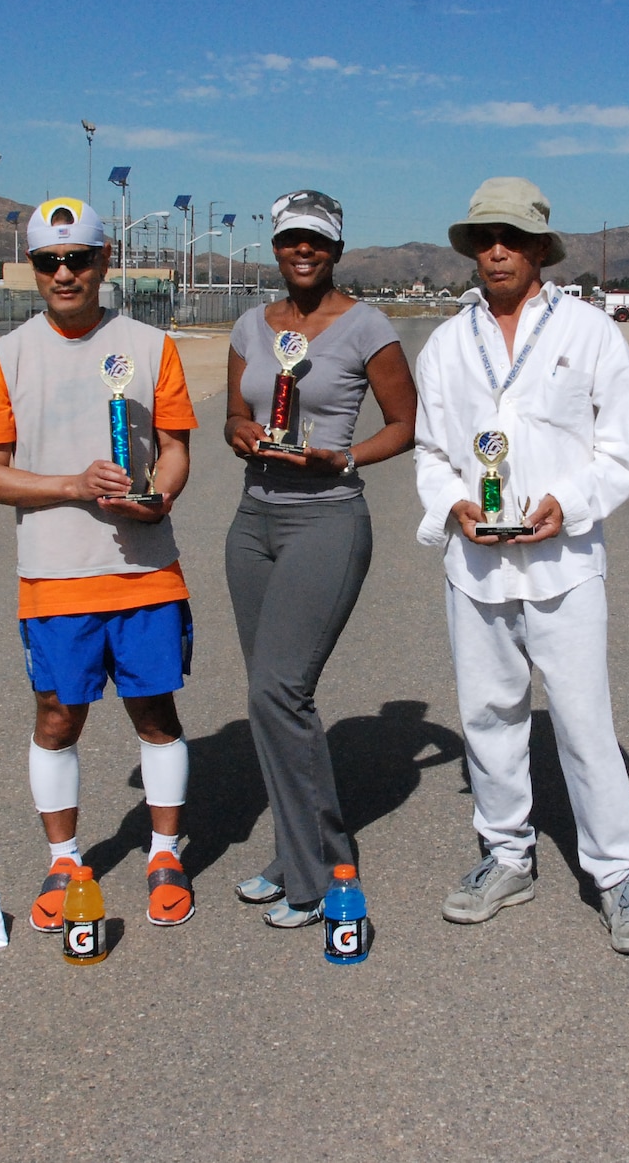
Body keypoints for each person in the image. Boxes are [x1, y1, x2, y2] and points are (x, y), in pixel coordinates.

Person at [412, 177, 629, 955]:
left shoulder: (590, 333)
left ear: (540, 249)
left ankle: (617, 874)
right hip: (477, 565)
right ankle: (507, 854)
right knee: (488, 715)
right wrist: (455, 503)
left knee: (583, 720)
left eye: (513, 239)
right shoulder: (448, 345)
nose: (497, 251)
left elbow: (622, 448)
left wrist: (568, 503)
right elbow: (429, 451)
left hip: (564, 562)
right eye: (485, 238)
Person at [0, 196, 199, 932]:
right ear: (33, 269)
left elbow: (175, 450)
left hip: (145, 570)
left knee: (155, 713)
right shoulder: (5, 358)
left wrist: (159, 495)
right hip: (55, 573)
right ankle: (64, 860)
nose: (64, 273)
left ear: (104, 261)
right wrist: (73, 485)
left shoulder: (152, 347)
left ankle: (166, 854)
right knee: (58, 717)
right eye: (48, 261)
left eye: (77, 258)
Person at [223, 189, 418, 928]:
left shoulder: (367, 326)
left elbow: (405, 423)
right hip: (253, 523)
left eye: (316, 240)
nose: (302, 250)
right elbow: (235, 415)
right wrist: (242, 434)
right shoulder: (251, 325)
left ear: (336, 249)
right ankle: (296, 850)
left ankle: (319, 880)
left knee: (281, 690)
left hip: (327, 520)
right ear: (276, 248)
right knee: (267, 698)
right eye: (290, 239)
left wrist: (344, 457)